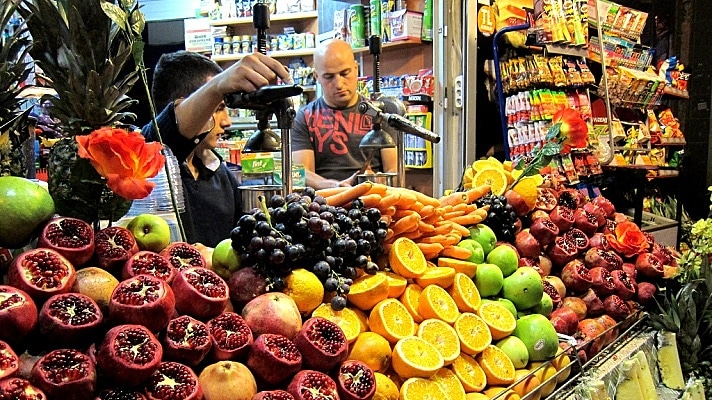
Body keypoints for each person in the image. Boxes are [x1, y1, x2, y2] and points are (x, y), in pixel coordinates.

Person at [141, 51, 292, 247]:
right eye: (219, 107)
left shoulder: (221, 174)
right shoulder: (150, 166)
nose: (227, 122)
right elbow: (162, 137)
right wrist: (217, 87)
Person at [292, 39, 398, 189]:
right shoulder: (304, 117)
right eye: (329, 77)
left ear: (356, 69)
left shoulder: (380, 113)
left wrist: (373, 181)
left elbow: (392, 169)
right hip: (326, 203)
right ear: (317, 77)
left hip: (373, 197)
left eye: (345, 73)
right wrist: (336, 186)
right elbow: (302, 173)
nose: (339, 84)